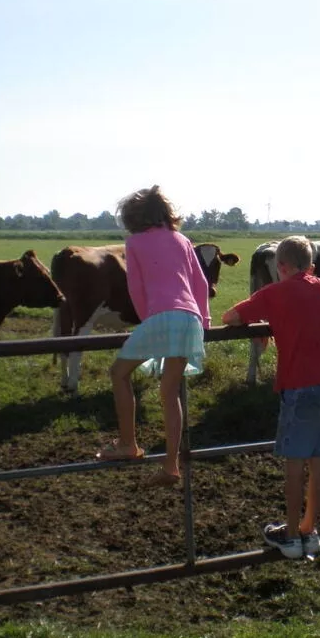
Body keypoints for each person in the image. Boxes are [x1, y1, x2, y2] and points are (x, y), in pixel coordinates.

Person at [222, 236, 320, 559]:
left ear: (279, 267)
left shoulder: (273, 292)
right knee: (318, 457)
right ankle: (309, 530)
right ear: (312, 267)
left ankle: (288, 535)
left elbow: (230, 317)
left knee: (294, 463)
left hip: (298, 386)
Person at [96, 185, 211, 488]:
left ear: (134, 217)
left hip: (161, 317)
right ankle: (171, 466)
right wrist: (206, 320)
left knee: (119, 374)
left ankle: (128, 444)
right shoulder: (183, 240)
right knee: (169, 393)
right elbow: (199, 283)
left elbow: (136, 288)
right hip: (190, 319)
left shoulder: (134, 243)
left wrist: (149, 324)